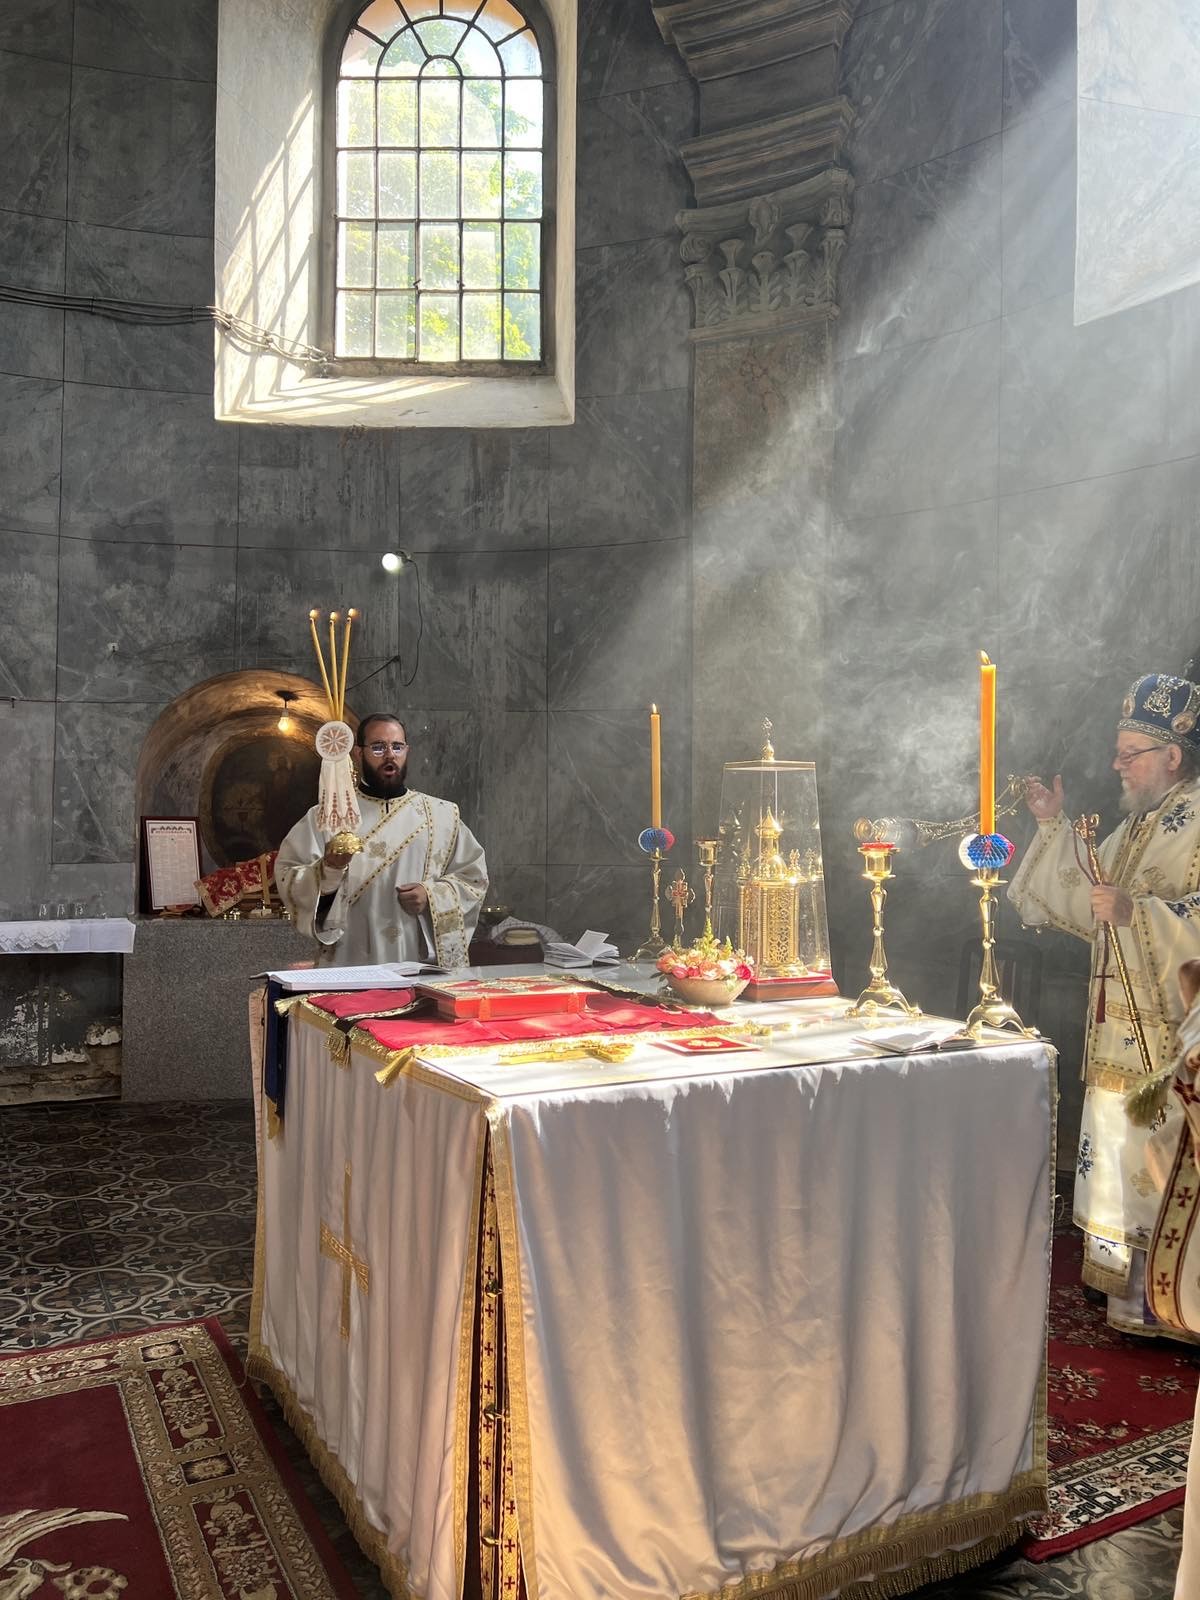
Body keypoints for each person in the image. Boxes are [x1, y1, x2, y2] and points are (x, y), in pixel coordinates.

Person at [1008, 673, 1200, 1339]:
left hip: (1172, 1045)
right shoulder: (1141, 822)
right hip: (1117, 1038)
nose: (1117, 765)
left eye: (1129, 754)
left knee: (1162, 1164)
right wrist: (1049, 824)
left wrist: (1138, 913)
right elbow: (1083, 893)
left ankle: (1178, 1310)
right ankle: (1128, 1301)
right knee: (1120, 1158)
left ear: (1171, 755)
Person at [276, 713, 488, 969]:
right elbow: (289, 876)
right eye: (378, 747)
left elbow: (473, 879)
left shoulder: (440, 815)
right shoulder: (328, 816)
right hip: (349, 960)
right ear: (358, 753)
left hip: (415, 961)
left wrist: (430, 895)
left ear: (407, 751)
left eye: (397, 747)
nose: (390, 755)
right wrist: (328, 870)